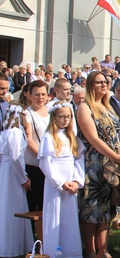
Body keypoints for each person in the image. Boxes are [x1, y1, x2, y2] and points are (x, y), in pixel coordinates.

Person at [77, 71, 120, 257]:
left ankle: (103, 249)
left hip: (114, 166)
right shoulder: (85, 108)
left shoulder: (109, 107)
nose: (103, 85)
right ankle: (91, 251)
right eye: (98, 82)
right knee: (92, 210)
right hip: (95, 165)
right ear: (90, 85)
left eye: (105, 82)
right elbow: (93, 138)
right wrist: (116, 157)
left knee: (108, 209)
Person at [39, 101, 84, 258]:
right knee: (54, 216)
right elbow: (45, 163)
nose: (65, 120)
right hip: (56, 185)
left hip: (70, 183)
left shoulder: (71, 137)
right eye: (62, 117)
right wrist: (60, 182)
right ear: (54, 117)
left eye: (68, 117)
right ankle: (53, 252)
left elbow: (78, 161)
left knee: (69, 219)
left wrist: (76, 182)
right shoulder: (48, 137)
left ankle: (71, 252)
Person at [0, 104, 34, 257]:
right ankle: (12, 247)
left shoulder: (4, 133)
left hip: (5, 171)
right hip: (13, 174)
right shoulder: (14, 133)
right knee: (12, 207)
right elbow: (15, 158)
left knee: (7, 206)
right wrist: (23, 178)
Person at [25, 80, 51, 213]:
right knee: (32, 204)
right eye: (36, 94)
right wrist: (43, 158)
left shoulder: (52, 112)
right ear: (29, 96)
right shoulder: (27, 114)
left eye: (43, 94)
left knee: (46, 205)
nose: (40, 98)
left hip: (51, 165)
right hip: (35, 165)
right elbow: (29, 140)